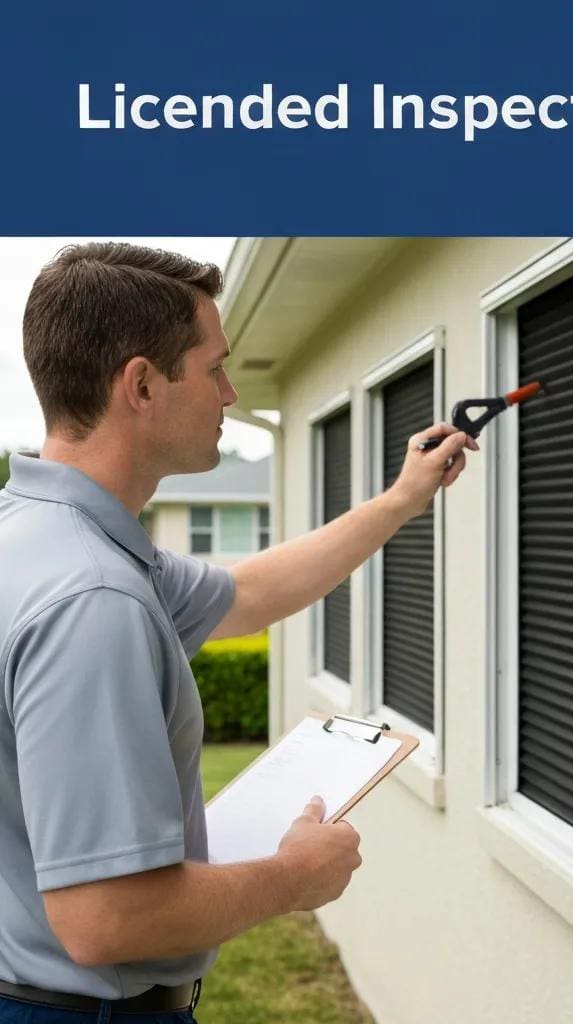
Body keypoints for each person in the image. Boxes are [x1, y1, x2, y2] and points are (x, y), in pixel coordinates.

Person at [0, 243, 476, 1023]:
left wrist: (400, 500)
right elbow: (105, 918)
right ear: (143, 385)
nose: (228, 393)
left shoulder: (44, 536)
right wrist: (295, 876)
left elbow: (247, 594)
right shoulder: (93, 596)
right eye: (214, 367)